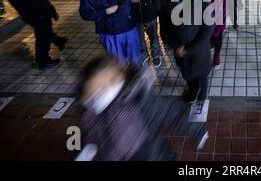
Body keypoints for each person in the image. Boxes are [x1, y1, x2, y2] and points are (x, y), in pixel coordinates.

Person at [78, 55, 208, 161]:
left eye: (104, 85)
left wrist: (196, 131)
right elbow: (90, 136)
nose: (100, 93)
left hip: (155, 155)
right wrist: (85, 152)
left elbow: (172, 111)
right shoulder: (93, 113)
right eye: (94, 91)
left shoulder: (140, 100)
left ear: (118, 78)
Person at [3, 0, 66, 70]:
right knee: (43, 36)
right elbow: (42, 1)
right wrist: (53, 12)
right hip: (41, 14)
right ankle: (43, 61)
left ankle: (59, 40)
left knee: (44, 32)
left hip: (27, 15)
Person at [168, 0, 213, 102]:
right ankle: (192, 92)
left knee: (202, 75)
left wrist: (189, 50)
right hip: (180, 52)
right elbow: (164, 30)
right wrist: (177, 47)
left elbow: (207, 29)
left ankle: (203, 94)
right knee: (187, 75)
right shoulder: (167, 1)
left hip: (199, 51)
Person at [123, 0, 162, 67]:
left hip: (150, 14)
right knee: (139, 39)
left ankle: (156, 55)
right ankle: (144, 56)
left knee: (154, 37)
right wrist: (129, 1)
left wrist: (154, 9)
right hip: (135, 18)